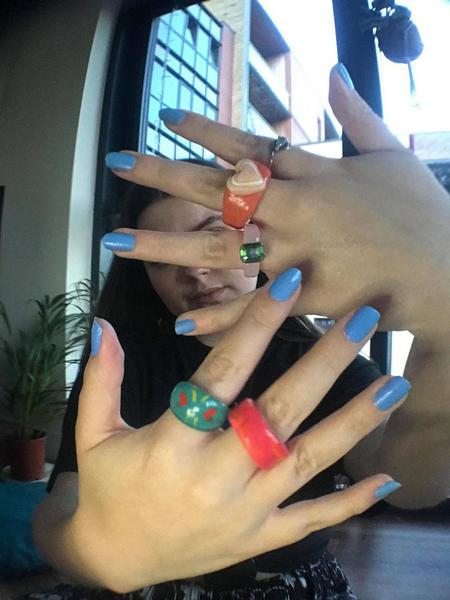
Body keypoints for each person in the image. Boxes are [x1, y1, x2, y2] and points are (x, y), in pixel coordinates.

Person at [30, 64, 448, 597]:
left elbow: (411, 483)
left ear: (259, 243)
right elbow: (59, 506)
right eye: (161, 258)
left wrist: (445, 314)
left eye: (212, 238)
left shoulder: (323, 361)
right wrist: (92, 553)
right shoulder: (120, 364)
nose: (196, 271)